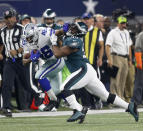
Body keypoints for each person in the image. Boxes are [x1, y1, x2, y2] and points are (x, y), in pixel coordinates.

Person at [52, 21, 139, 123]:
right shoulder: (70, 39)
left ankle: (79, 109)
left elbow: (58, 53)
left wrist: (53, 40)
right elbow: (60, 46)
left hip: (83, 70)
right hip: (87, 71)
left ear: (79, 32)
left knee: (64, 88)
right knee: (105, 96)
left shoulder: (76, 40)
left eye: (74, 29)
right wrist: (57, 36)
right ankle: (129, 106)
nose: (71, 29)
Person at [22, 23, 65, 111]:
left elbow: (59, 32)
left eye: (30, 37)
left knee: (39, 76)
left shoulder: (44, 33)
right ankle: (76, 107)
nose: (28, 40)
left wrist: (64, 30)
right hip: (48, 62)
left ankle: (53, 101)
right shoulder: (28, 41)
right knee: (56, 90)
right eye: (26, 38)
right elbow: (26, 58)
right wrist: (28, 58)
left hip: (57, 60)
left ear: (35, 34)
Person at [0, 9, 33, 117]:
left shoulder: (22, 29)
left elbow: (28, 44)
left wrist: (18, 51)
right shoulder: (2, 31)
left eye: (11, 17)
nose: (9, 20)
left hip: (21, 61)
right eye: (7, 18)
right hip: (10, 61)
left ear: (15, 18)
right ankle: (6, 107)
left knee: (26, 85)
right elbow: (1, 43)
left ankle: (39, 100)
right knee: (6, 84)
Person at [105, 16, 133, 100]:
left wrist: (130, 59)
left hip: (125, 58)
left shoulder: (127, 32)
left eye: (124, 23)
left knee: (123, 79)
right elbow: (107, 46)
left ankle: (120, 97)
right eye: (122, 23)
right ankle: (114, 99)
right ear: (118, 23)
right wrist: (109, 59)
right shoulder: (113, 32)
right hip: (115, 57)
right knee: (115, 79)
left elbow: (129, 47)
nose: (123, 25)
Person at [132, 30, 143, 105]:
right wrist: (139, 62)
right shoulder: (141, 35)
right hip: (141, 61)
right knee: (139, 82)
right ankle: (136, 101)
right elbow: (137, 48)